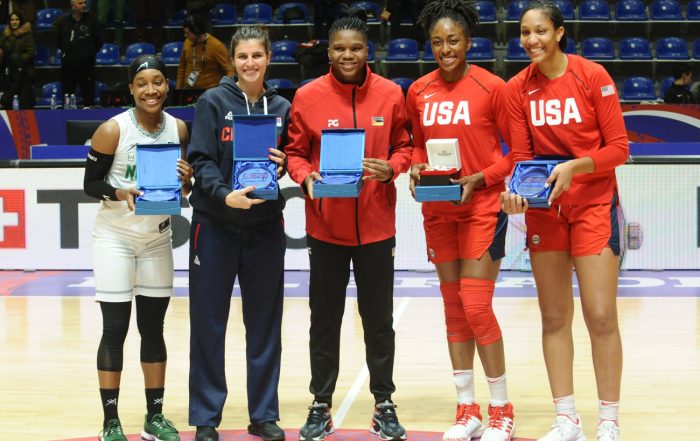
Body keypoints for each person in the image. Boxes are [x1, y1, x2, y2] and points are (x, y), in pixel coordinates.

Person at [500, 1, 629, 440]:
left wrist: (575, 166)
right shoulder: (517, 88)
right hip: (546, 212)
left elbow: (619, 148)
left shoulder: (592, 76)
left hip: (594, 205)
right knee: (554, 316)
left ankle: (608, 420)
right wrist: (516, 193)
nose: (531, 40)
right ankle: (567, 419)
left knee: (600, 315)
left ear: (559, 33)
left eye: (539, 31)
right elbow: (521, 157)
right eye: (524, 32)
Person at [286, 8, 412, 441]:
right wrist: (306, 177)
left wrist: (392, 168)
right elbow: (295, 153)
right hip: (326, 229)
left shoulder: (391, 94)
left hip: (376, 227)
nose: (347, 55)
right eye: (340, 48)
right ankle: (320, 403)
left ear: (367, 50)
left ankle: (384, 403)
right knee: (324, 320)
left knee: (379, 320)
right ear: (328, 52)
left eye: (355, 48)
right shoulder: (308, 96)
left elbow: (405, 146)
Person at [406, 1, 515, 441]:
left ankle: (501, 409)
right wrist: (415, 167)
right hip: (438, 210)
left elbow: (517, 153)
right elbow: (417, 145)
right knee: (453, 307)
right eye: (437, 42)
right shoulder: (419, 91)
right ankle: (467, 408)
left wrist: (481, 178)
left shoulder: (493, 87)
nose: (445, 49)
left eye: (453, 40)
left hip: (482, 207)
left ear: (468, 42)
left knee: (475, 305)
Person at [187, 26, 290, 441]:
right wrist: (223, 195)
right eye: (243, 56)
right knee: (208, 324)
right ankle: (206, 417)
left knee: (264, 325)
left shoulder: (282, 106)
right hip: (214, 226)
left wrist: (284, 163)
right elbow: (201, 160)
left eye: (257, 55)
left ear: (269, 58)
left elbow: (291, 158)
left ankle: (263, 414)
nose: (250, 63)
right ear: (232, 60)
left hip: (265, 229)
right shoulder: (212, 101)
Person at [83, 55, 192, 441]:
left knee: (153, 329)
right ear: (131, 88)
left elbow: (182, 187)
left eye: (158, 81)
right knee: (115, 330)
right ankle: (111, 422)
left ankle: (154, 417)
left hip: (157, 239)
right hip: (115, 239)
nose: (151, 90)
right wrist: (119, 192)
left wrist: (188, 181)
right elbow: (90, 184)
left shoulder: (179, 128)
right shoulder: (113, 130)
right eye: (142, 83)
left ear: (167, 85)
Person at [54, 0, 102, 107]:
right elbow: (59, 41)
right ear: (73, 6)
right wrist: (69, 51)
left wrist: (88, 53)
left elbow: (99, 41)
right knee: (67, 95)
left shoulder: (92, 20)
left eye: (84, 3)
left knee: (88, 95)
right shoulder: (63, 21)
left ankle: (89, 114)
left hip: (87, 65)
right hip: (68, 64)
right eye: (80, 3)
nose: (84, 5)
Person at [176, 14, 233, 90]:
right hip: (189, 90)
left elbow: (230, 70)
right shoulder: (187, 42)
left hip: (211, 92)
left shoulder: (216, 46)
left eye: (187, 33)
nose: (185, 35)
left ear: (197, 31)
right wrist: (178, 90)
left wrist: (223, 89)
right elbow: (181, 68)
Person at [0, 11, 35, 109]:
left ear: (20, 21)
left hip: (24, 70)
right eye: (12, 20)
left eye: (16, 19)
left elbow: (31, 52)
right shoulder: (5, 36)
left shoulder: (27, 35)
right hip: (8, 71)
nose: (14, 22)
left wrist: (18, 62)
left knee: (23, 96)